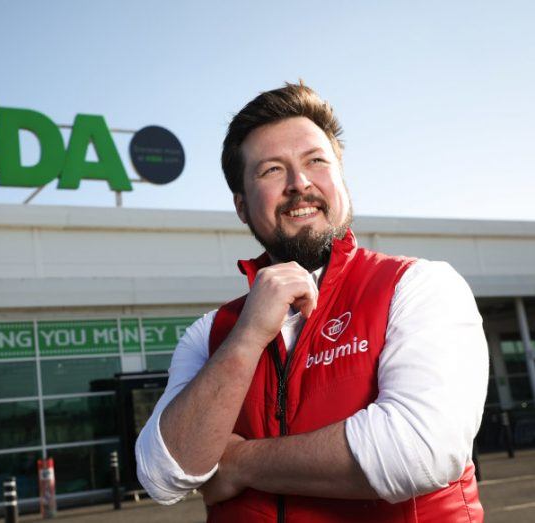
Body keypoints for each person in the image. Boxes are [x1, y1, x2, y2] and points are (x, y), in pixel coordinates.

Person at [135, 81, 488, 522]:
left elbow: (418, 449)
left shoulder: (418, 286)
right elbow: (162, 474)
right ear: (242, 207)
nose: (299, 184)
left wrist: (239, 462)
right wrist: (246, 337)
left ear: (340, 178)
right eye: (271, 170)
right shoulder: (210, 333)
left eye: (316, 161)